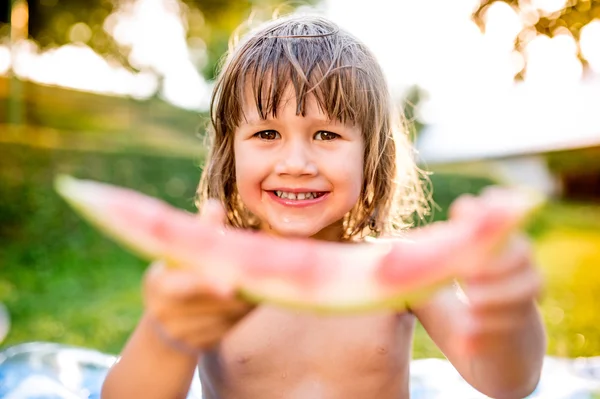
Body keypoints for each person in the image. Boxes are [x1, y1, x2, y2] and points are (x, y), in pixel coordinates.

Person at [101, 13, 546, 399]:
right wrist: (167, 334)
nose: (296, 164)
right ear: (230, 152)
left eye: (327, 135)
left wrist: (511, 313)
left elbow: (507, 384)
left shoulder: (407, 270)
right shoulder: (209, 275)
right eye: (267, 134)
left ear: (371, 155)